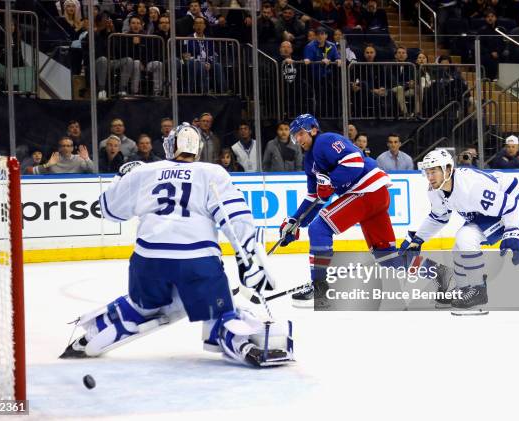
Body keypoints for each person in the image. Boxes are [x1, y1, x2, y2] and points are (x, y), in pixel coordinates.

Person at [59, 123, 293, 367]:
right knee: (217, 310)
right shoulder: (211, 173)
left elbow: (109, 209)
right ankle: (236, 338)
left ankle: (106, 326)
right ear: (199, 148)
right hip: (196, 261)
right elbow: (234, 218)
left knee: (148, 305)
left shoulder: (144, 172)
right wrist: (249, 260)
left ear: (170, 146)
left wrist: (121, 176)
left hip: (147, 262)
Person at [279, 114, 395, 307]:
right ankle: (438, 275)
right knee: (388, 257)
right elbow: (314, 196)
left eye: (300, 134)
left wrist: (331, 183)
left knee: (319, 229)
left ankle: (320, 290)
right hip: (375, 196)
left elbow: (354, 162)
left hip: (366, 190)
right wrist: (295, 221)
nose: (298, 140)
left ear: (313, 130)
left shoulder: (325, 140)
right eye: (294, 137)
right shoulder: (309, 161)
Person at [400, 149, 519, 313]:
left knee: (465, 237)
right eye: (427, 172)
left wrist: (513, 232)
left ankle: (478, 291)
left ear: (447, 170)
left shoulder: (471, 189)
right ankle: (464, 289)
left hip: (514, 204)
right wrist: (417, 240)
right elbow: (439, 217)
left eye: (433, 172)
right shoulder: (435, 189)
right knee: (458, 247)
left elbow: (510, 205)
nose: (429, 177)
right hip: (488, 209)